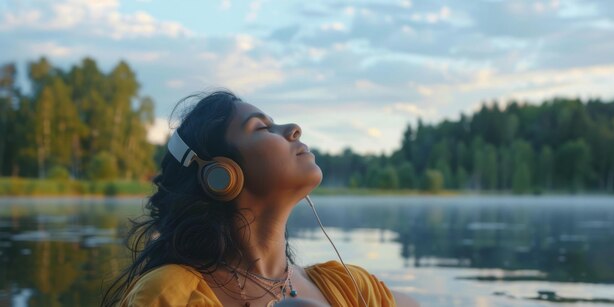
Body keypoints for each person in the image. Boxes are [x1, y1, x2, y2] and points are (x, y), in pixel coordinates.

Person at [102, 91, 419, 307]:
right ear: (221, 175)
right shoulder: (172, 292)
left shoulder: (346, 286)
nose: (294, 129)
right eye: (263, 128)